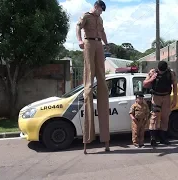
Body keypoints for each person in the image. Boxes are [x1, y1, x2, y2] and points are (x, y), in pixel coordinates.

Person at [76, 0, 110, 154]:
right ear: (96, 6)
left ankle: (106, 140)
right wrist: (79, 40)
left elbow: (102, 32)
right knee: (89, 80)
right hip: (89, 43)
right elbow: (78, 26)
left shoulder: (100, 19)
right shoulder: (86, 15)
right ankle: (88, 138)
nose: (101, 12)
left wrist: (106, 43)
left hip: (98, 44)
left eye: (102, 11)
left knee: (102, 81)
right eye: (100, 9)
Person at [143, 61, 178, 146]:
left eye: (163, 71)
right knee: (154, 116)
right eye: (161, 71)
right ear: (158, 68)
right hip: (156, 97)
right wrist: (152, 79)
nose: (162, 72)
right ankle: (153, 138)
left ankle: (163, 138)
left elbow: (174, 85)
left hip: (166, 97)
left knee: (165, 117)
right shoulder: (153, 72)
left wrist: (175, 99)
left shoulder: (171, 73)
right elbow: (145, 84)